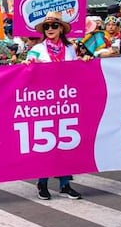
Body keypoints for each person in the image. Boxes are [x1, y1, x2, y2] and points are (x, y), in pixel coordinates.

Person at [25, 11, 84, 200]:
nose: (51, 29)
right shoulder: (39, 49)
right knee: (46, 143)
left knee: (66, 142)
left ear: (61, 29)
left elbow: (76, 70)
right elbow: (28, 61)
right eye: (47, 26)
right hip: (45, 102)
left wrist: (86, 64)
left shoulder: (70, 49)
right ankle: (42, 183)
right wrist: (30, 62)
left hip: (66, 101)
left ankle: (65, 184)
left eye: (54, 26)